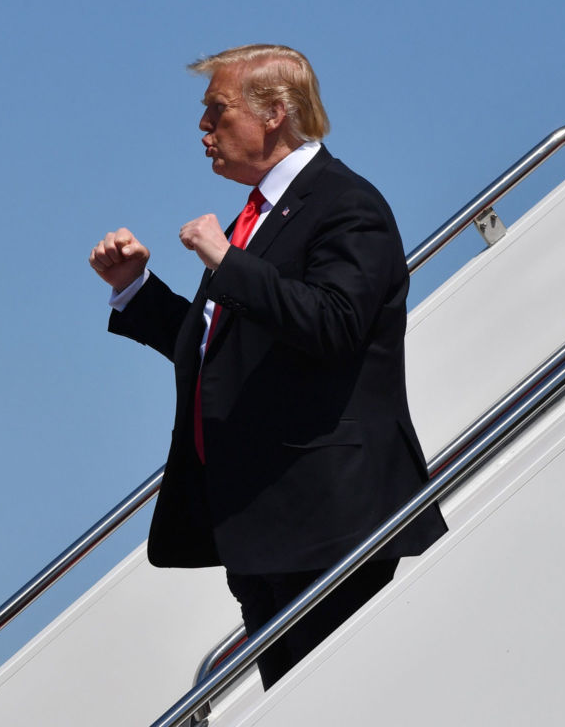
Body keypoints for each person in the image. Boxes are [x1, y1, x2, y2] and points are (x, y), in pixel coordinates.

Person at [88, 44, 446, 689]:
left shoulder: (345, 203)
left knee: (340, 698)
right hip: (263, 526)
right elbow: (222, 346)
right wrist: (136, 290)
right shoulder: (257, 218)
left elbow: (333, 322)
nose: (203, 130)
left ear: (275, 112)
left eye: (216, 112)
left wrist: (226, 263)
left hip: (331, 522)